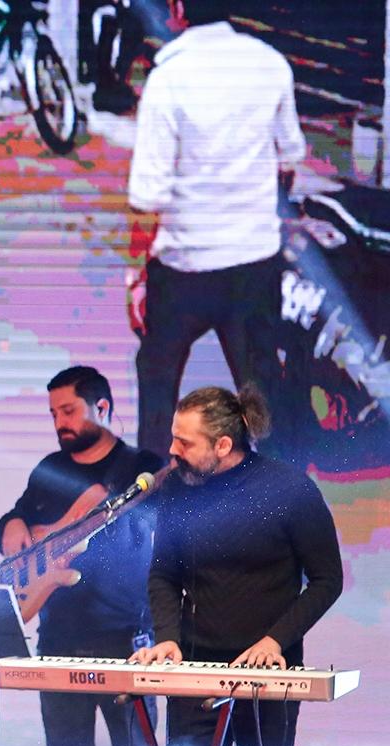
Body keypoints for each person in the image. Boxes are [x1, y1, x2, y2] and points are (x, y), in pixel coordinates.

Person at [131, 386, 342, 746]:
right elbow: (163, 574)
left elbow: (327, 580)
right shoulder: (178, 491)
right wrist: (168, 637)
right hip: (194, 671)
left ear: (223, 444)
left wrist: (275, 640)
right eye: (174, 438)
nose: (172, 451)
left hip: (268, 675)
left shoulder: (289, 490)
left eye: (185, 442)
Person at [126, 0, 306, 457]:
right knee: (260, 381)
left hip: (184, 268)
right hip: (254, 261)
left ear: (177, 9)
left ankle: (153, 480)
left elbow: (147, 198)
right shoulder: (270, 64)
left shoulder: (168, 79)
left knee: (157, 373)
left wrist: (136, 276)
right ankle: (278, 479)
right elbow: (289, 158)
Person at [0, 366, 163, 746]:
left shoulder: (141, 466)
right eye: (53, 414)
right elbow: (18, 518)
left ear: (101, 407)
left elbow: (159, 523)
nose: (59, 423)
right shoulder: (49, 468)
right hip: (58, 639)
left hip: (125, 637)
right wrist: (11, 524)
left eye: (68, 411)